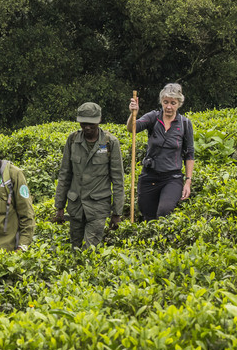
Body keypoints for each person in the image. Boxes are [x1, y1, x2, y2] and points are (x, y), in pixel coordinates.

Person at [52, 101, 124, 247]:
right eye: (83, 123)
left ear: (99, 121)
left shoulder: (111, 142)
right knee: (75, 248)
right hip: (76, 206)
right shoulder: (72, 140)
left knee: (89, 249)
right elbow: (65, 174)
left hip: (98, 207)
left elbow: (118, 180)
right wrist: (59, 206)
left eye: (91, 123)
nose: (87, 127)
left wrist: (117, 213)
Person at [128, 83, 195, 220]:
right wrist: (132, 114)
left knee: (164, 212)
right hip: (149, 175)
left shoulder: (184, 123)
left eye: (173, 103)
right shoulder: (153, 117)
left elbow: (189, 153)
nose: (169, 106)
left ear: (179, 103)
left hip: (172, 178)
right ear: (161, 102)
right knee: (147, 215)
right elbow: (132, 128)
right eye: (165, 102)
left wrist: (188, 181)